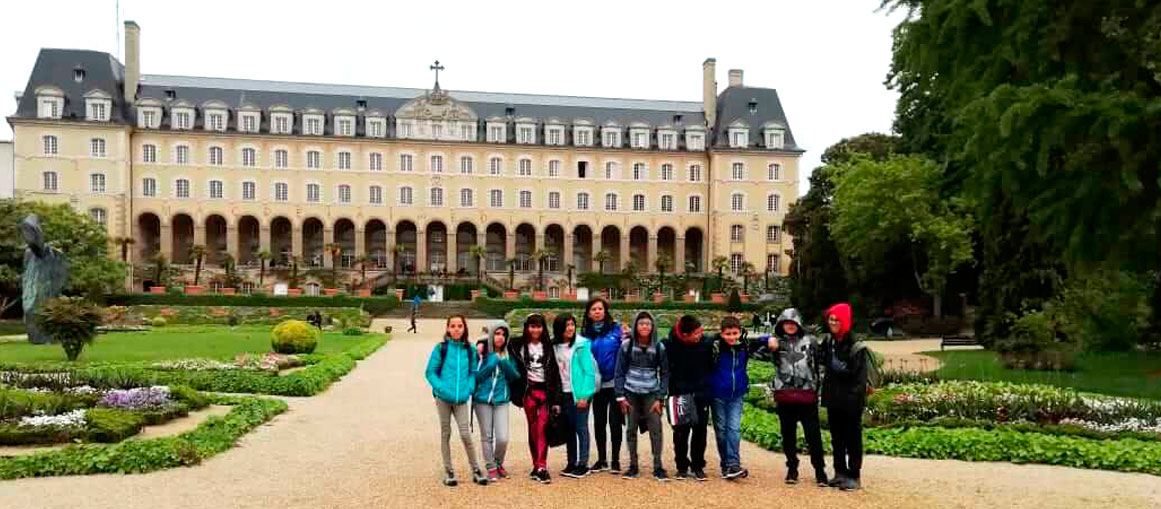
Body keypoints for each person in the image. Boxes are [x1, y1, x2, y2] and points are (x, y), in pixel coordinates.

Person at [423, 315, 487, 487]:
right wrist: (441, 388)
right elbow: (430, 372)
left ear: (464, 328)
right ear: (448, 329)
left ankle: (475, 469)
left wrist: (469, 388)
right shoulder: (441, 348)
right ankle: (449, 470)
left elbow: (473, 372)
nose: (457, 329)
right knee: (446, 433)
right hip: (443, 399)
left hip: (461, 400)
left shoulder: (470, 349)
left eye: (460, 326)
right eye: (453, 326)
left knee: (465, 434)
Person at [708, 315, 773, 480]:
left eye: (735, 333)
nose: (732, 337)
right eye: (728, 334)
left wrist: (769, 338)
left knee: (734, 429)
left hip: (737, 394)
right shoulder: (715, 347)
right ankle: (726, 465)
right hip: (718, 394)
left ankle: (733, 464)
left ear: (740, 332)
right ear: (721, 334)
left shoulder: (744, 346)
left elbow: (761, 340)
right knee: (721, 431)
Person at [769, 308, 828, 486]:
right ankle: (792, 468)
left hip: (807, 395)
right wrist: (767, 340)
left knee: (813, 435)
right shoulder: (776, 343)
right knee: (788, 435)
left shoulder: (810, 341)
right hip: (785, 395)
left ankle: (820, 470)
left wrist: (819, 387)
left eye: (793, 323)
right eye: (786, 323)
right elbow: (746, 345)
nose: (790, 326)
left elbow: (821, 363)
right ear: (781, 325)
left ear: (799, 324)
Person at [614, 311, 670, 481]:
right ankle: (633, 465)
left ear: (653, 326)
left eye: (648, 323)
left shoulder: (658, 347)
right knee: (631, 429)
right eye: (641, 324)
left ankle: (658, 466)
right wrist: (620, 396)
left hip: (651, 395)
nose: (645, 326)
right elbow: (619, 372)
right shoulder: (626, 345)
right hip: (631, 393)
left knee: (656, 430)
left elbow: (665, 373)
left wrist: (660, 397)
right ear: (635, 326)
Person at [507, 313, 562, 484]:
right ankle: (535, 465)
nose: (535, 330)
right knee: (532, 428)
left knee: (542, 428)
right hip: (528, 392)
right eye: (532, 326)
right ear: (526, 327)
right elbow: (497, 341)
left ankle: (542, 466)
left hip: (544, 392)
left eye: (539, 326)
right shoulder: (516, 345)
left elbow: (555, 373)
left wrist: (556, 400)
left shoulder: (548, 346)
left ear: (543, 328)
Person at [820, 303, 869, 491]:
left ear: (845, 321)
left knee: (853, 439)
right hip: (834, 397)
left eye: (837, 319)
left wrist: (852, 398)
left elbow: (859, 378)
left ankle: (854, 476)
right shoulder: (829, 341)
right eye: (831, 319)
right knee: (837, 438)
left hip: (851, 400)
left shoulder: (856, 346)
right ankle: (839, 472)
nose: (833, 322)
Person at [663, 315, 714, 482]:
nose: (700, 335)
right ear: (684, 335)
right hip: (679, 393)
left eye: (700, 332)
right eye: (696, 333)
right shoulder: (669, 345)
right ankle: (682, 466)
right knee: (681, 432)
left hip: (701, 392)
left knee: (700, 431)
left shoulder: (706, 344)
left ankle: (698, 465)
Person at [581, 297, 625, 474]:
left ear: (605, 311)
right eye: (593, 309)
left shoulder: (616, 329)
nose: (597, 312)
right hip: (596, 384)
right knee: (599, 422)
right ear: (589, 313)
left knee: (615, 422)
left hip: (614, 383)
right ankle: (601, 459)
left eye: (600, 309)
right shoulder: (584, 334)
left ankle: (615, 460)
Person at [473, 320, 520, 482]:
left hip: (501, 400)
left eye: (503, 334)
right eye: (497, 334)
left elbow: (515, 376)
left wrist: (503, 363)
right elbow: (476, 377)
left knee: (503, 437)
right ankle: (491, 467)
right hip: (482, 400)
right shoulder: (481, 352)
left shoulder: (508, 354)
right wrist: (491, 362)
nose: (500, 337)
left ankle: (498, 462)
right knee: (487, 437)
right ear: (491, 335)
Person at [553, 313, 598, 479]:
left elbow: (589, 373)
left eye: (572, 324)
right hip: (563, 393)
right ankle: (571, 462)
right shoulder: (555, 346)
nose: (570, 328)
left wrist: (585, 396)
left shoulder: (581, 345)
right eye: (566, 325)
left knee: (581, 428)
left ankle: (583, 463)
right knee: (569, 429)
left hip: (579, 394)